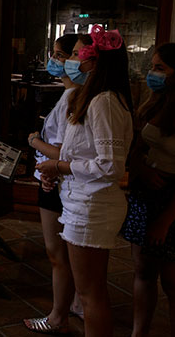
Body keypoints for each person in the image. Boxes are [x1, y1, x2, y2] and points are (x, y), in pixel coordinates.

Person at [35, 26, 133, 336]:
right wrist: (57, 170)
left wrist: (60, 165)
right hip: (82, 201)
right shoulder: (91, 98)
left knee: (91, 296)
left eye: (77, 54)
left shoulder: (104, 101)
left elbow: (110, 166)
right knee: (90, 293)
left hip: (93, 205)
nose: (73, 61)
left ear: (95, 60)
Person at [23, 33, 83, 334]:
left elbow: (65, 153)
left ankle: (59, 315)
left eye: (61, 55)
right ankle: (71, 304)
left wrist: (34, 140)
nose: (55, 61)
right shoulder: (70, 94)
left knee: (56, 252)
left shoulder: (77, 97)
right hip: (55, 178)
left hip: (57, 183)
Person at [121, 42, 175, 337]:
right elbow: (137, 148)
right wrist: (141, 169)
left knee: (170, 279)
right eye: (152, 67)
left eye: (160, 68)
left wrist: (166, 219)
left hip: (170, 198)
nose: (152, 74)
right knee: (142, 269)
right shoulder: (154, 102)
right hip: (146, 193)